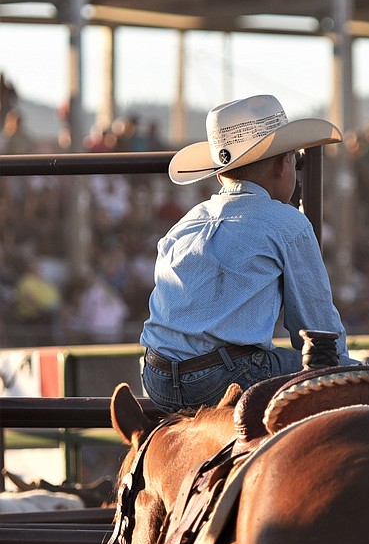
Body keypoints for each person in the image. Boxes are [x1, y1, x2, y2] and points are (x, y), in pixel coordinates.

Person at [139, 94, 355, 413]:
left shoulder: (186, 223)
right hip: (224, 378)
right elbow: (317, 332)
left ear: (219, 173)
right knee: (341, 371)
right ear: (284, 165)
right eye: (295, 161)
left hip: (156, 376)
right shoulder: (288, 223)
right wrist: (352, 372)